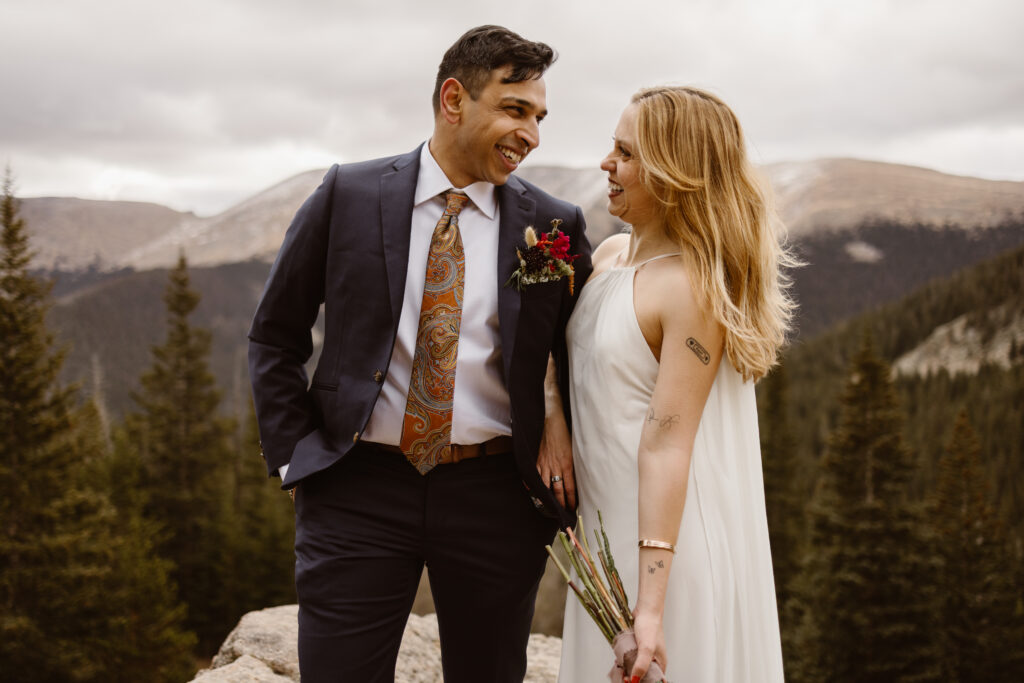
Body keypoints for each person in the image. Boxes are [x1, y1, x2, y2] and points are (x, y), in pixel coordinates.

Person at [248, 25, 592, 683]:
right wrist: (298, 455)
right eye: (515, 109)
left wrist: (553, 416)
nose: (533, 134)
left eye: (540, 117)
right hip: (357, 487)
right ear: (453, 98)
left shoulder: (552, 225)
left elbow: (570, 348)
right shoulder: (347, 194)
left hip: (495, 495)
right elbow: (274, 333)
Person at [557, 86, 793, 682]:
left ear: (675, 173)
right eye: (612, 147)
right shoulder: (609, 257)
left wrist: (651, 608)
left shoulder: (692, 290)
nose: (606, 163)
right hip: (604, 538)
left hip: (664, 550)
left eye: (626, 153)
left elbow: (667, 443)